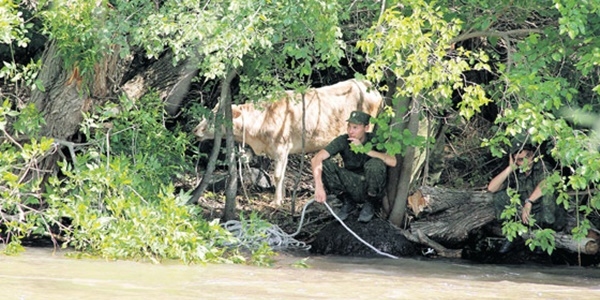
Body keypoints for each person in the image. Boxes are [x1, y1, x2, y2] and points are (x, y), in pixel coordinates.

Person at [311, 110, 397, 222]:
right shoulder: (343, 140)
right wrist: (319, 186)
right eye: (349, 127)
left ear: (366, 128)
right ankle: (347, 202)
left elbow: (393, 161)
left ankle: (370, 203)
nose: (351, 131)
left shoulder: (375, 140)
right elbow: (316, 159)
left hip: (370, 184)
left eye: (355, 127)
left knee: (375, 164)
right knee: (326, 164)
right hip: (351, 183)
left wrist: (365, 150)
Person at [487, 143, 566, 253]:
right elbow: (492, 188)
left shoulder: (542, 166)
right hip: (529, 216)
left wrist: (529, 202)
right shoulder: (516, 173)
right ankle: (512, 234)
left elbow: (545, 183)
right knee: (500, 197)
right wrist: (510, 168)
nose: (525, 162)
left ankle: (544, 237)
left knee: (548, 195)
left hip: (550, 217)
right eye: (520, 160)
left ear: (533, 155)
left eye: (527, 157)